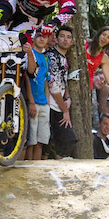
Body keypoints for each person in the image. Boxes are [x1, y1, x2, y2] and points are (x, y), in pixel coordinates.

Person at [46, 26, 77, 158]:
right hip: (50, 105)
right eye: (62, 36)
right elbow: (53, 87)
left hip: (58, 104)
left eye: (69, 37)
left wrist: (68, 97)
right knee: (67, 139)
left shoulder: (64, 58)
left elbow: (63, 80)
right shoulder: (52, 56)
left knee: (63, 141)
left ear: (72, 41)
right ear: (56, 39)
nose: (65, 40)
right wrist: (65, 110)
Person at [25, 28, 51, 161]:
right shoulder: (29, 55)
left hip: (43, 103)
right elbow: (28, 79)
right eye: (39, 36)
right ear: (34, 38)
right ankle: (29, 166)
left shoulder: (46, 59)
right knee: (31, 140)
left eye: (45, 37)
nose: (42, 39)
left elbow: (46, 81)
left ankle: (37, 166)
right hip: (33, 102)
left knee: (41, 139)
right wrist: (31, 102)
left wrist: (47, 102)